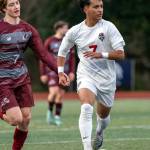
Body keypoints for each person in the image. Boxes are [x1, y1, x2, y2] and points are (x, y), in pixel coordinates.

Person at [57, 0, 125, 150]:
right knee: (86, 108)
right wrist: (60, 72)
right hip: (86, 75)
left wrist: (101, 54)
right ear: (85, 9)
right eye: (96, 7)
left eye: (101, 6)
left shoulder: (109, 27)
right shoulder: (75, 31)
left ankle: (100, 132)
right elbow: (62, 52)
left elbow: (121, 54)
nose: (100, 10)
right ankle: (87, 148)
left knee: (103, 118)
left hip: (107, 79)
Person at [0, 0, 60, 149]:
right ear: (3, 8)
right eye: (11, 4)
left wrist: (59, 71)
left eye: (17, 3)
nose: (16, 7)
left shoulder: (28, 29)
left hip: (22, 78)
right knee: (15, 119)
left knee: (25, 119)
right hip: (2, 80)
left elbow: (43, 55)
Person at [40, 21, 75, 126]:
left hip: (66, 71)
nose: (67, 30)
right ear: (59, 29)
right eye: (65, 28)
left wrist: (72, 72)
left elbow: (72, 58)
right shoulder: (49, 41)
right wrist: (43, 73)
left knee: (60, 95)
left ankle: (57, 117)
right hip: (52, 71)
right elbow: (43, 58)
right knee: (54, 92)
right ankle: (50, 112)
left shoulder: (69, 41)